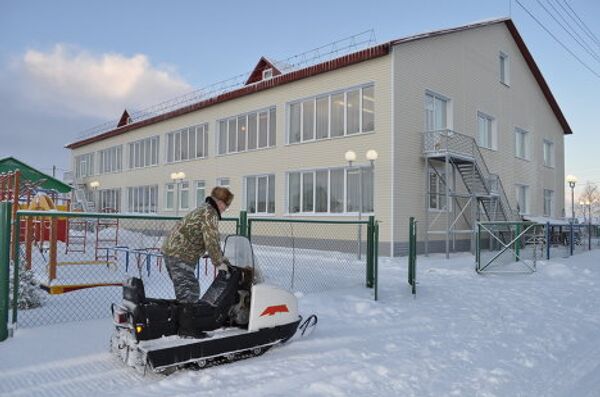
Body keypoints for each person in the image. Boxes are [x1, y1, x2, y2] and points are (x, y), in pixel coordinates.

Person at [161, 186, 234, 304]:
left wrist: (221, 257)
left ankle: (181, 318)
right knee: (190, 293)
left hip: (173, 253)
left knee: (185, 292)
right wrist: (219, 262)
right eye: (226, 206)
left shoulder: (204, 209)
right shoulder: (210, 213)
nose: (225, 209)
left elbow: (211, 240)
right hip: (180, 255)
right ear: (220, 202)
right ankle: (186, 321)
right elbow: (211, 240)